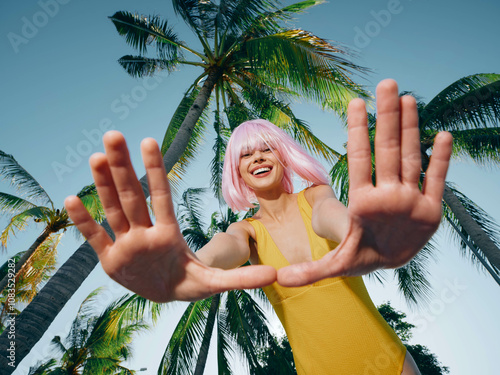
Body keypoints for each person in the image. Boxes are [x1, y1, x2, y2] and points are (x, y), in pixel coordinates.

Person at [65, 80, 453, 374]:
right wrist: (189, 268)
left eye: (266, 148)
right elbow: (223, 249)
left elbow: (330, 215)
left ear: (283, 157)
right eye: (245, 155)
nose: (257, 158)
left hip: (392, 362)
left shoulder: (314, 196)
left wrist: (358, 232)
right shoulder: (246, 232)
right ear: (238, 174)